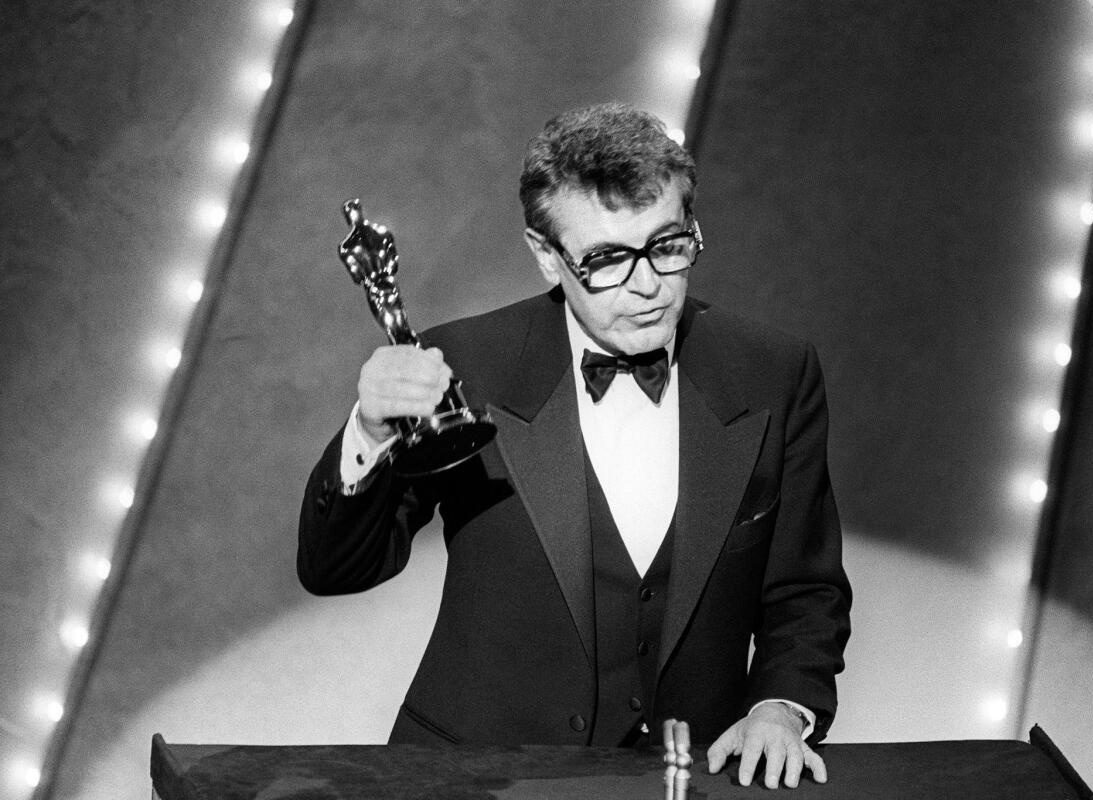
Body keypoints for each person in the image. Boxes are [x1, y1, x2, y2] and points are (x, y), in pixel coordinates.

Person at [298, 103, 851, 790]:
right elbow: (336, 567)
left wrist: (780, 710)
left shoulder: (774, 371)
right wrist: (370, 433)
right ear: (545, 256)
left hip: (689, 777)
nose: (648, 285)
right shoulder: (466, 362)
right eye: (608, 260)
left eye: (669, 245)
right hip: (474, 780)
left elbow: (804, 589)